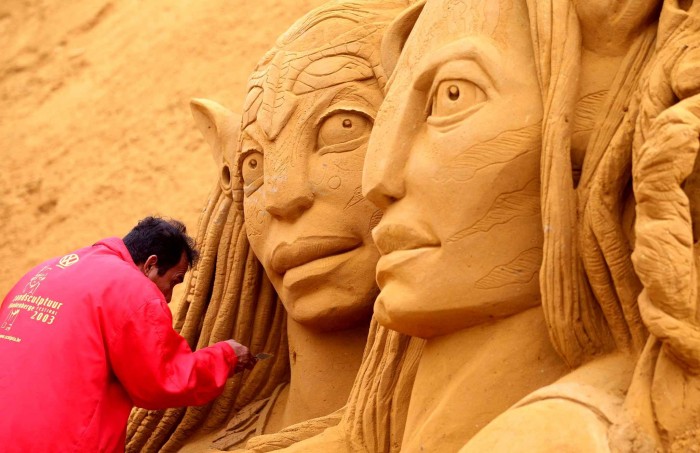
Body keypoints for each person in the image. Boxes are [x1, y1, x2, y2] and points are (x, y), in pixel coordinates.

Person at [0, 216, 255, 452]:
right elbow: (162, 380)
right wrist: (225, 356)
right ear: (151, 264)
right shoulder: (132, 289)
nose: (167, 298)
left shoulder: (43, 272)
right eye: (174, 281)